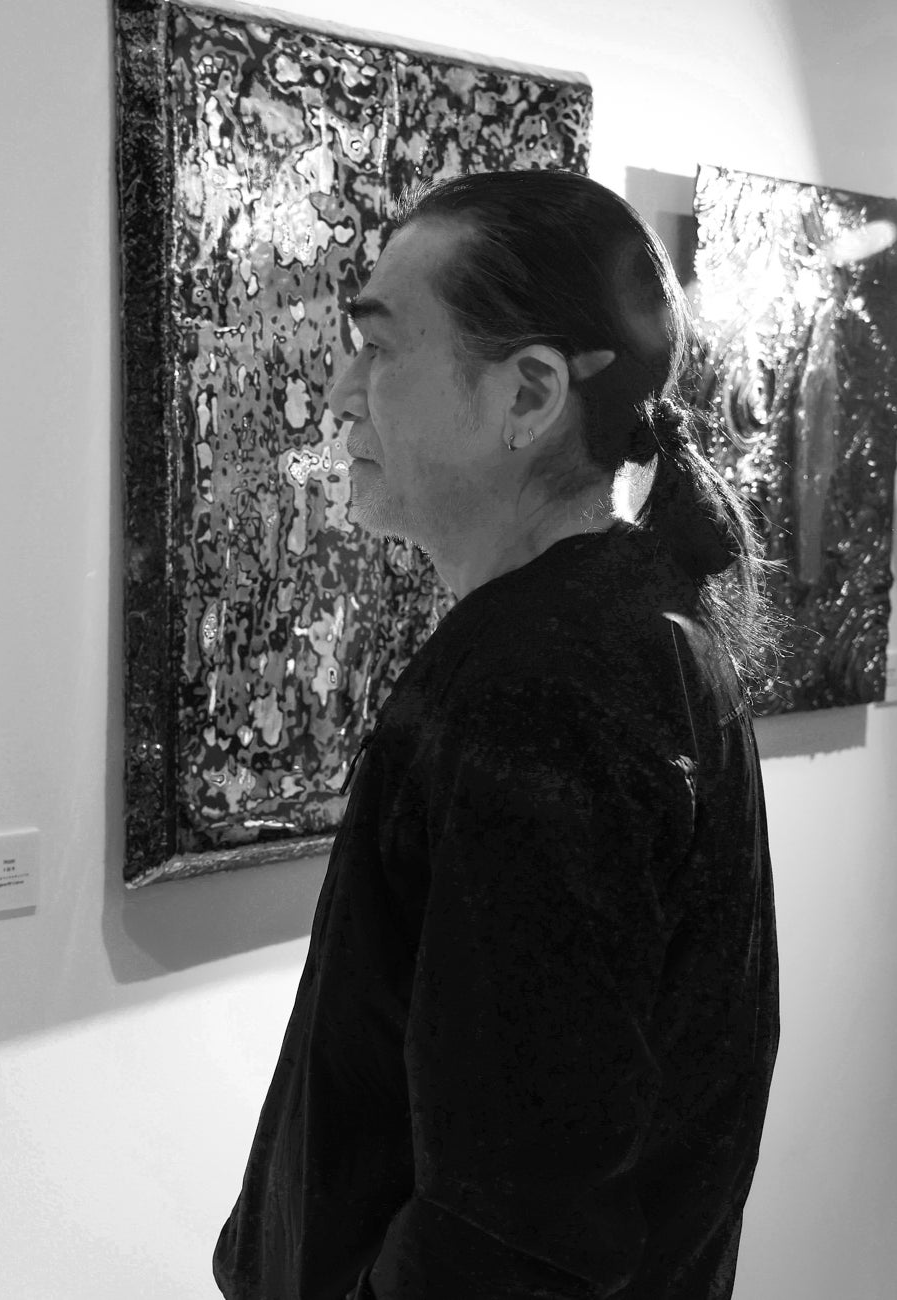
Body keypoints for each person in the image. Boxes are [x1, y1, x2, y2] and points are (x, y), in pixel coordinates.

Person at [213, 169, 781, 1300]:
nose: (338, 394)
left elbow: (517, 1230)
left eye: (379, 347)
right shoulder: (623, 632)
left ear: (527, 395)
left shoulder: (545, 689)